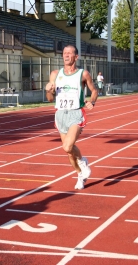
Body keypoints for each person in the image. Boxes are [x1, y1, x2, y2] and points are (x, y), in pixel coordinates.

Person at [45, 45, 98, 190]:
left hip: (76, 113)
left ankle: (81, 161)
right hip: (60, 114)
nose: (66, 55)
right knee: (68, 152)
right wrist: (48, 91)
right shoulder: (55, 74)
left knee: (67, 146)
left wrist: (92, 102)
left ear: (76, 56)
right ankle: (80, 174)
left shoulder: (83, 74)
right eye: (64, 53)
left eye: (70, 53)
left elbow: (94, 90)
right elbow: (50, 99)